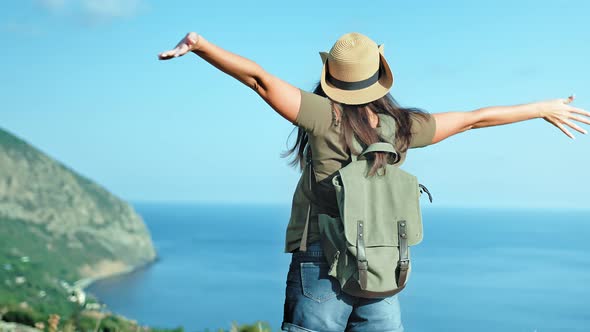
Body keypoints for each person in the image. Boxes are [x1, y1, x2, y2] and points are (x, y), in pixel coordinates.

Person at [158, 31, 589, 332]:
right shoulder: (400, 126)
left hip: (322, 259)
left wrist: (201, 46)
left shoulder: (321, 115)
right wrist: (539, 108)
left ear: (332, 75)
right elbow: (474, 120)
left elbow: (259, 80)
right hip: (380, 260)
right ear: (378, 74)